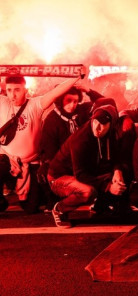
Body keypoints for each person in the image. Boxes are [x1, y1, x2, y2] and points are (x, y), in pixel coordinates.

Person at [0, 74, 82, 213]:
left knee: (30, 208)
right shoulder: (2, 103)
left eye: (17, 90)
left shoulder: (35, 104)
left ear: (25, 89)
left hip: (31, 163)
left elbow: (56, 92)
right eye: (9, 90)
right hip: (7, 160)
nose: (12, 95)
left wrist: (77, 76)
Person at [48, 105, 128, 226]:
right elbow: (80, 174)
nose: (97, 127)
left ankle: (100, 207)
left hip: (82, 173)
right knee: (88, 192)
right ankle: (59, 209)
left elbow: (115, 156)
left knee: (119, 176)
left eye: (103, 123)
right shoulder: (80, 139)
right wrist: (108, 187)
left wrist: (118, 171)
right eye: (95, 121)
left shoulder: (110, 134)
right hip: (58, 178)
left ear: (111, 124)